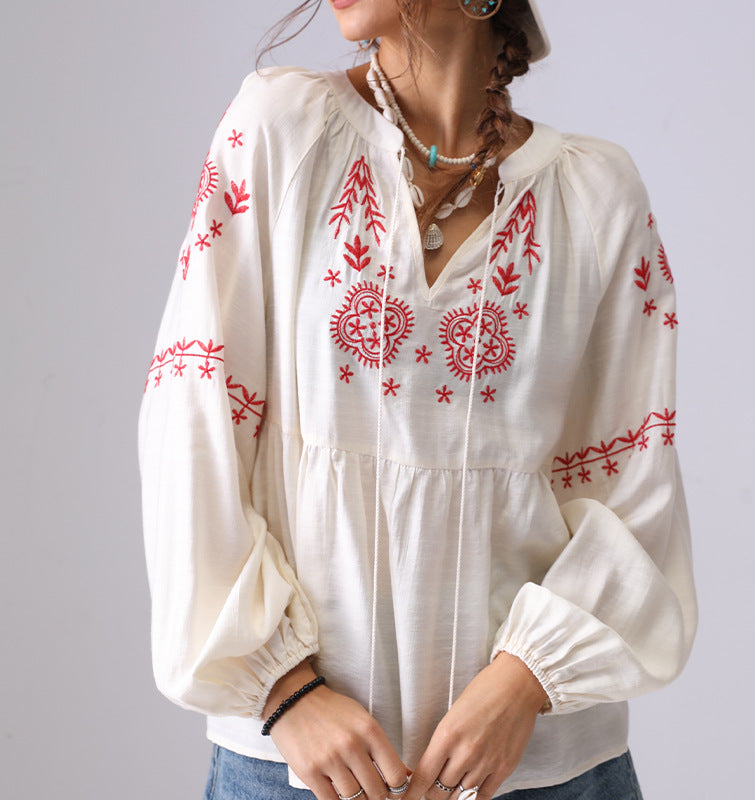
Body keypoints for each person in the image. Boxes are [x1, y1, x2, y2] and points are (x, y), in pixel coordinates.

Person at [138, 1, 698, 798]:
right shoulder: (280, 130)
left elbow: (633, 488)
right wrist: (282, 688)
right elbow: (191, 412)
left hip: (540, 770)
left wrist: (525, 680)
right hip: (297, 766)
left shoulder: (596, 196)